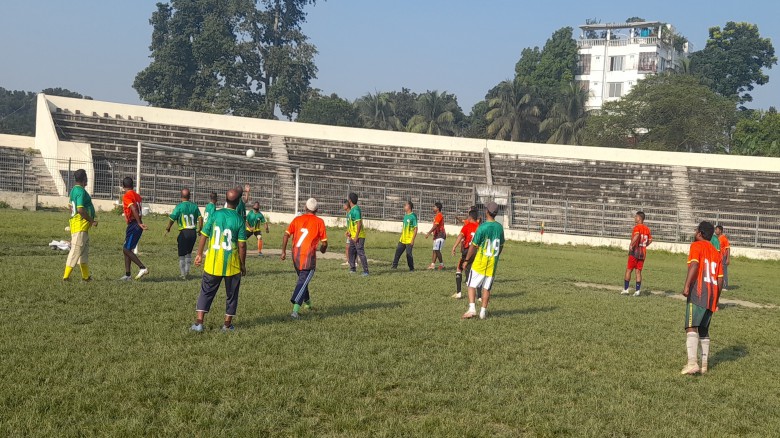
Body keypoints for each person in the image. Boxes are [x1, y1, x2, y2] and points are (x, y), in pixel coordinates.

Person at [190, 188, 247, 332]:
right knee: (231, 295)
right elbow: (241, 244)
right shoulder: (239, 219)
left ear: (225, 200)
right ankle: (227, 325)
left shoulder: (216, 214)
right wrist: (242, 264)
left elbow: (204, 234)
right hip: (232, 264)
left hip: (213, 262)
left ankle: (199, 323)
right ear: (239, 201)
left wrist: (199, 254)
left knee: (206, 291)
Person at [680, 221, 723, 375]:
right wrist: (716, 299)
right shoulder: (716, 252)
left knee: (691, 326)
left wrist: (686, 286)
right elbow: (720, 279)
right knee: (704, 329)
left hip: (698, 293)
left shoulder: (696, 246)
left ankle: (692, 363)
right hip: (711, 295)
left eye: (696, 230)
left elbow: (694, 266)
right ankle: (704, 365)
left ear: (699, 233)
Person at [281, 198, 328, 319]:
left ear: (305, 208)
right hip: (308, 258)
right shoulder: (319, 222)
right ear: (317, 210)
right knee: (302, 282)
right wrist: (323, 250)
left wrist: (283, 251)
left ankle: (309, 304)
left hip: (295, 256)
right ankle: (295, 311)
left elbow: (286, 235)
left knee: (303, 280)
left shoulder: (297, 219)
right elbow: (324, 243)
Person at [462, 202, 505, 320]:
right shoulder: (499, 227)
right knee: (487, 288)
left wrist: (466, 260)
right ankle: (483, 312)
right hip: (492, 264)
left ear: (487, 212)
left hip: (480, 262)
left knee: (471, 284)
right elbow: (501, 245)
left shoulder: (482, 227)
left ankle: (472, 309)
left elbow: (473, 246)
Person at [63, 169, 97, 281]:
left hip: (81, 226)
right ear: (84, 179)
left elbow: (70, 206)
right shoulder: (81, 191)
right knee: (75, 251)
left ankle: (86, 277)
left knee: (83, 253)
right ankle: (66, 277)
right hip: (80, 226)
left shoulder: (73, 190)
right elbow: (80, 209)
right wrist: (91, 221)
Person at [165, 188, 203, 279]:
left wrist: (168, 228)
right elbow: (200, 218)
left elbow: (172, 218)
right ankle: (187, 272)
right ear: (189, 196)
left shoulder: (179, 207)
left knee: (182, 254)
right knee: (189, 253)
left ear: (181, 196)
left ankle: (183, 274)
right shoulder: (194, 206)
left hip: (184, 232)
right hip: (193, 232)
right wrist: (200, 229)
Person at [119, 177, 149, 280]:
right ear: (133, 185)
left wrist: (139, 223)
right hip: (135, 223)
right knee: (127, 249)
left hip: (134, 224)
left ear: (123, 187)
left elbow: (133, 208)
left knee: (126, 249)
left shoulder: (127, 195)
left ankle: (142, 267)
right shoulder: (137, 196)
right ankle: (128, 275)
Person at [622, 211, 653, 296]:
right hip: (642, 253)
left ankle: (625, 289)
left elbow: (636, 235)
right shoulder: (647, 229)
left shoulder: (637, 227)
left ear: (639, 218)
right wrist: (644, 245)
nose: (634, 218)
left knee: (629, 270)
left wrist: (631, 245)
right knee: (638, 272)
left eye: (636, 217)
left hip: (635, 252)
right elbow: (650, 240)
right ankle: (637, 291)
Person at [451, 210, 480, 299]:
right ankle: (479, 297)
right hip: (477, 252)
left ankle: (459, 293)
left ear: (470, 217)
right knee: (477, 272)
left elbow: (460, 236)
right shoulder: (480, 227)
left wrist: (454, 247)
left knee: (459, 269)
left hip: (467, 251)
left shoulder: (467, 226)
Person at [346, 192, 369, 275]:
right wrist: (349, 232)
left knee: (360, 253)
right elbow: (353, 224)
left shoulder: (356, 210)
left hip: (359, 236)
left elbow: (359, 224)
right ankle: (352, 268)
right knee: (351, 251)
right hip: (353, 236)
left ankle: (366, 271)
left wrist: (356, 236)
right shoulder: (352, 210)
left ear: (350, 200)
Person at [391, 200, 418, 271]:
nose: (404, 206)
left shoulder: (413, 216)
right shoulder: (406, 215)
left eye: (405, 205)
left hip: (409, 239)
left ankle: (411, 268)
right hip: (403, 239)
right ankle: (394, 266)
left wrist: (413, 240)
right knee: (398, 252)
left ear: (409, 206)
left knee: (408, 254)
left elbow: (415, 229)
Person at [425, 202, 446, 270]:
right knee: (435, 250)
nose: (433, 208)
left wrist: (429, 233)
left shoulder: (439, 215)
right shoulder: (437, 215)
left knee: (437, 250)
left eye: (434, 207)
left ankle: (442, 265)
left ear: (437, 208)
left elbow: (436, 225)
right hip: (437, 235)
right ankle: (432, 265)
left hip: (440, 234)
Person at [715, 225, 731, 291]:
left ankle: (725, 286)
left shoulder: (724, 238)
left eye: (716, 229)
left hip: (723, 257)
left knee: (724, 271)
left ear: (720, 231)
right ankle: (719, 284)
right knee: (718, 271)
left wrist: (728, 258)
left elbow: (728, 248)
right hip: (718, 257)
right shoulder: (716, 238)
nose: (715, 231)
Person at [341, 199, 350, 266]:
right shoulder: (348, 214)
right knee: (347, 247)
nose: (343, 206)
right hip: (349, 232)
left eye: (343, 205)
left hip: (352, 233)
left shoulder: (350, 213)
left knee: (350, 247)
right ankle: (349, 261)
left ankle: (354, 262)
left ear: (347, 205)